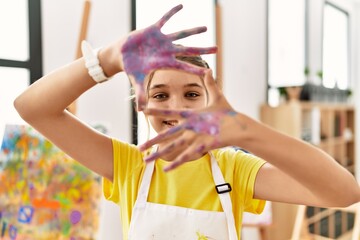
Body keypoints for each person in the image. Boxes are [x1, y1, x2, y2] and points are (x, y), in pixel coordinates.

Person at [14, 4, 359, 240]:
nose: (176, 107)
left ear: (213, 100)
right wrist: (108, 58)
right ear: (141, 104)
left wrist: (247, 131)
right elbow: (31, 107)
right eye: (161, 95)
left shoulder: (233, 169)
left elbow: (344, 193)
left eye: (192, 95)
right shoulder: (129, 166)